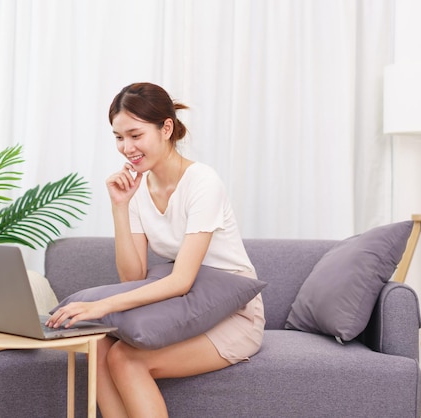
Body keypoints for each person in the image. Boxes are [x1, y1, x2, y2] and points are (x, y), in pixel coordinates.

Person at [47, 82, 265, 417]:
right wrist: (121, 206)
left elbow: (181, 281)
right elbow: (133, 276)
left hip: (233, 313)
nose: (126, 147)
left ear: (166, 128)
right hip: (189, 307)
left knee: (125, 359)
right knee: (100, 344)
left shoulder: (202, 183)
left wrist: (98, 307)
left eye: (136, 135)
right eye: (119, 137)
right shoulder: (138, 187)